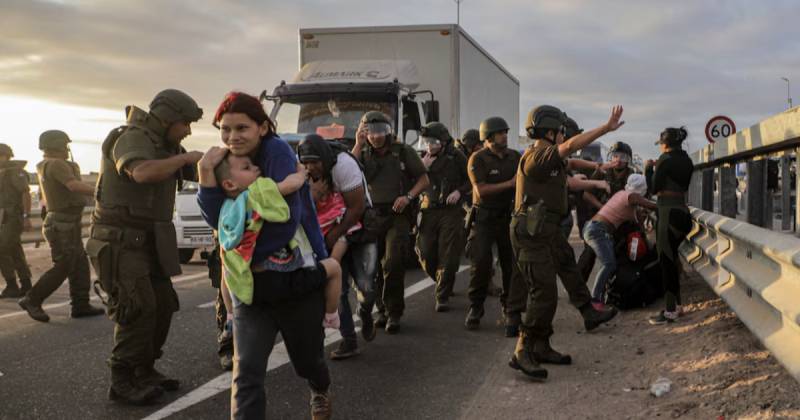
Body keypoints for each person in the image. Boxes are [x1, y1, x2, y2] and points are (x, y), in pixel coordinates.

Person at [197, 91, 332, 420]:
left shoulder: (278, 153)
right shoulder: (220, 159)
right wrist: (204, 175)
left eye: (241, 128)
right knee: (247, 373)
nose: (232, 137)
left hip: (294, 278)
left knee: (307, 360)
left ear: (262, 127)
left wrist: (240, 245)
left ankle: (319, 388)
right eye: (225, 129)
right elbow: (218, 219)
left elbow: (283, 222)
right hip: (250, 288)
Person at [88, 89, 204, 405]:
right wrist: (184, 158)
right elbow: (141, 172)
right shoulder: (131, 137)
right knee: (137, 306)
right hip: (121, 241)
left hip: (151, 240)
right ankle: (122, 379)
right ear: (167, 119)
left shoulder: (165, 146)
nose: (188, 130)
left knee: (164, 304)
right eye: (185, 123)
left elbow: (203, 173)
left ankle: (144, 369)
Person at [509, 105, 623, 381]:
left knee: (568, 267)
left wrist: (598, 172)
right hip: (532, 232)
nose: (563, 136)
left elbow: (570, 170)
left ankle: (550, 339)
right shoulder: (537, 156)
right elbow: (570, 148)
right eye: (560, 131)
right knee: (543, 291)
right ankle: (523, 350)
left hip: (547, 229)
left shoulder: (549, 160)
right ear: (550, 132)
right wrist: (605, 128)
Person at [213, 151, 341, 329]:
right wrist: (301, 173)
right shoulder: (255, 194)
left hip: (241, 268)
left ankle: (230, 315)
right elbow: (290, 185)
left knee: (227, 269)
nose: (257, 168)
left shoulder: (226, 208)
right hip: (277, 269)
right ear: (229, 183)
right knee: (334, 268)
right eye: (247, 167)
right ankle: (331, 316)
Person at [298, 134, 376, 359]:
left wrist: (333, 236)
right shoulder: (304, 172)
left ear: (325, 158)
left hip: (358, 227)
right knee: (337, 288)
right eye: (306, 162)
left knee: (366, 285)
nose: (311, 167)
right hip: (327, 228)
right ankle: (349, 341)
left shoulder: (344, 165)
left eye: (315, 162)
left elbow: (357, 208)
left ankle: (366, 311)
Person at [351, 111, 429, 334]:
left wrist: (408, 197)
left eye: (380, 132)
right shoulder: (363, 153)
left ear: (389, 132)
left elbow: (424, 179)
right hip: (372, 216)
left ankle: (394, 312)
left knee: (392, 263)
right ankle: (381, 310)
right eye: (370, 132)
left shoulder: (403, 152)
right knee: (373, 266)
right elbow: (347, 170)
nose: (376, 137)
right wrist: (358, 143)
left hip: (398, 216)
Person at [18, 131, 103, 322]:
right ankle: (32, 299)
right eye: (64, 145)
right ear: (56, 146)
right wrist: (102, 191)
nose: (67, 149)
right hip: (62, 223)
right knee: (64, 265)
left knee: (79, 264)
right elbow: (73, 186)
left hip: (65, 222)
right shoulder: (56, 164)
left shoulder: (47, 164)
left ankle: (80, 304)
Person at [464, 116, 523, 331]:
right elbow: (481, 191)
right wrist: (510, 184)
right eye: (500, 133)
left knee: (511, 265)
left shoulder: (514, 157)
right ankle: (475, 306)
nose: (505, 136)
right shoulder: (477, 159)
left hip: (508, 217)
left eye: (506, 132)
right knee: (480, 263)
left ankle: (510, 309)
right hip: (484, 218)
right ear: (488, 137)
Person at [415, 122, 470, 312]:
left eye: (434, 142)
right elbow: (409, 181)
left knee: (448, 253)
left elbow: (470, 180)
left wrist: (459, 192)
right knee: (425, 252)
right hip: (429, 209)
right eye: (427, 142)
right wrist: (423, 167)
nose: (430, 146)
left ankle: (442, 294)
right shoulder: (422, 159)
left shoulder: (457, 157)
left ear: (444, 142)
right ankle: (442, 280)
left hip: (450, 210)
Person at [582, 174, 655, 309]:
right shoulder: (629, 195)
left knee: (607, 264)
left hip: (595, 228)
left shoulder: (622, 196)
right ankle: (595, 300)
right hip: (598, 230)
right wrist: (664, 205)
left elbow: (638, 223)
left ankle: (600, 300)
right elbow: (649, 205)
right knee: (609, 264)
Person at [648, 127, 694, 325]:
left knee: (666, 262)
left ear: (665, 144)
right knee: (673, 259)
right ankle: (679, 305)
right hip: (682, 212)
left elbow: (653, 187)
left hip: (667, 213)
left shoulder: (664, 160)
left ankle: (670, 310)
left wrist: (649, 169)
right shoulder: (687, 160)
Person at [577, 141, 634, 282]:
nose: (618, 160)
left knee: (621, 253)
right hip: (600, 219)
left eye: (623, 157)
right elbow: (586, 194)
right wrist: (602, 207)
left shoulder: (632, 176)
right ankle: (578, 287)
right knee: (590, 252)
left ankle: (616, 286)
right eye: (615, 156)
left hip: (621, 222)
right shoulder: (602, 172)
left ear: (628, 160)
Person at [0, 143, 33, 298]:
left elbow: (25, 193)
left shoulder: (15, 172)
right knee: (14, 250)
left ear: (6, 155)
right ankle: (25, 284)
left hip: (14, 217)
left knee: (3, 249)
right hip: (3, 219)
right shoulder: (2, 173)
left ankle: (12, 284)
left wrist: (27, 217)